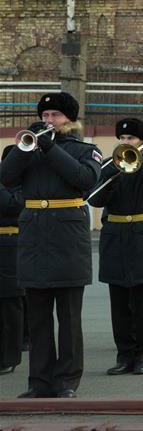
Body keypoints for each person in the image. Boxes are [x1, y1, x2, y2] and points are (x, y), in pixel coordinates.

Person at [0, 92, 102, 398]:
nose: (48, 121)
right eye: (44, 116)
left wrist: (50, 146)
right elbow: (5, 177)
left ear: (69, 119)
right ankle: (39, 381)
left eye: (54, 116)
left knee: (69, 316)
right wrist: (23, 149)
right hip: (33, 236)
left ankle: (67, 381)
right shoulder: (24, 150)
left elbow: (84, 179)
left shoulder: (86, 150)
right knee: (39, 315)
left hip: (68, 235)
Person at [89, 118, 143, 376]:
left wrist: (142, 160)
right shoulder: (108, 166)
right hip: (115, 235)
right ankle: (124, 355)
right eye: (123, 139)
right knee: (120, 302)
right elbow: (94, 197)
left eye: (132, 140)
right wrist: (114, 173)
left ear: (142, 142)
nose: (126, 143)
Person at [0, 145, 24, 375]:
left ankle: (10, 356)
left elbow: (13, 206)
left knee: (9, 303)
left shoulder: (22, 183)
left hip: (10, 242)